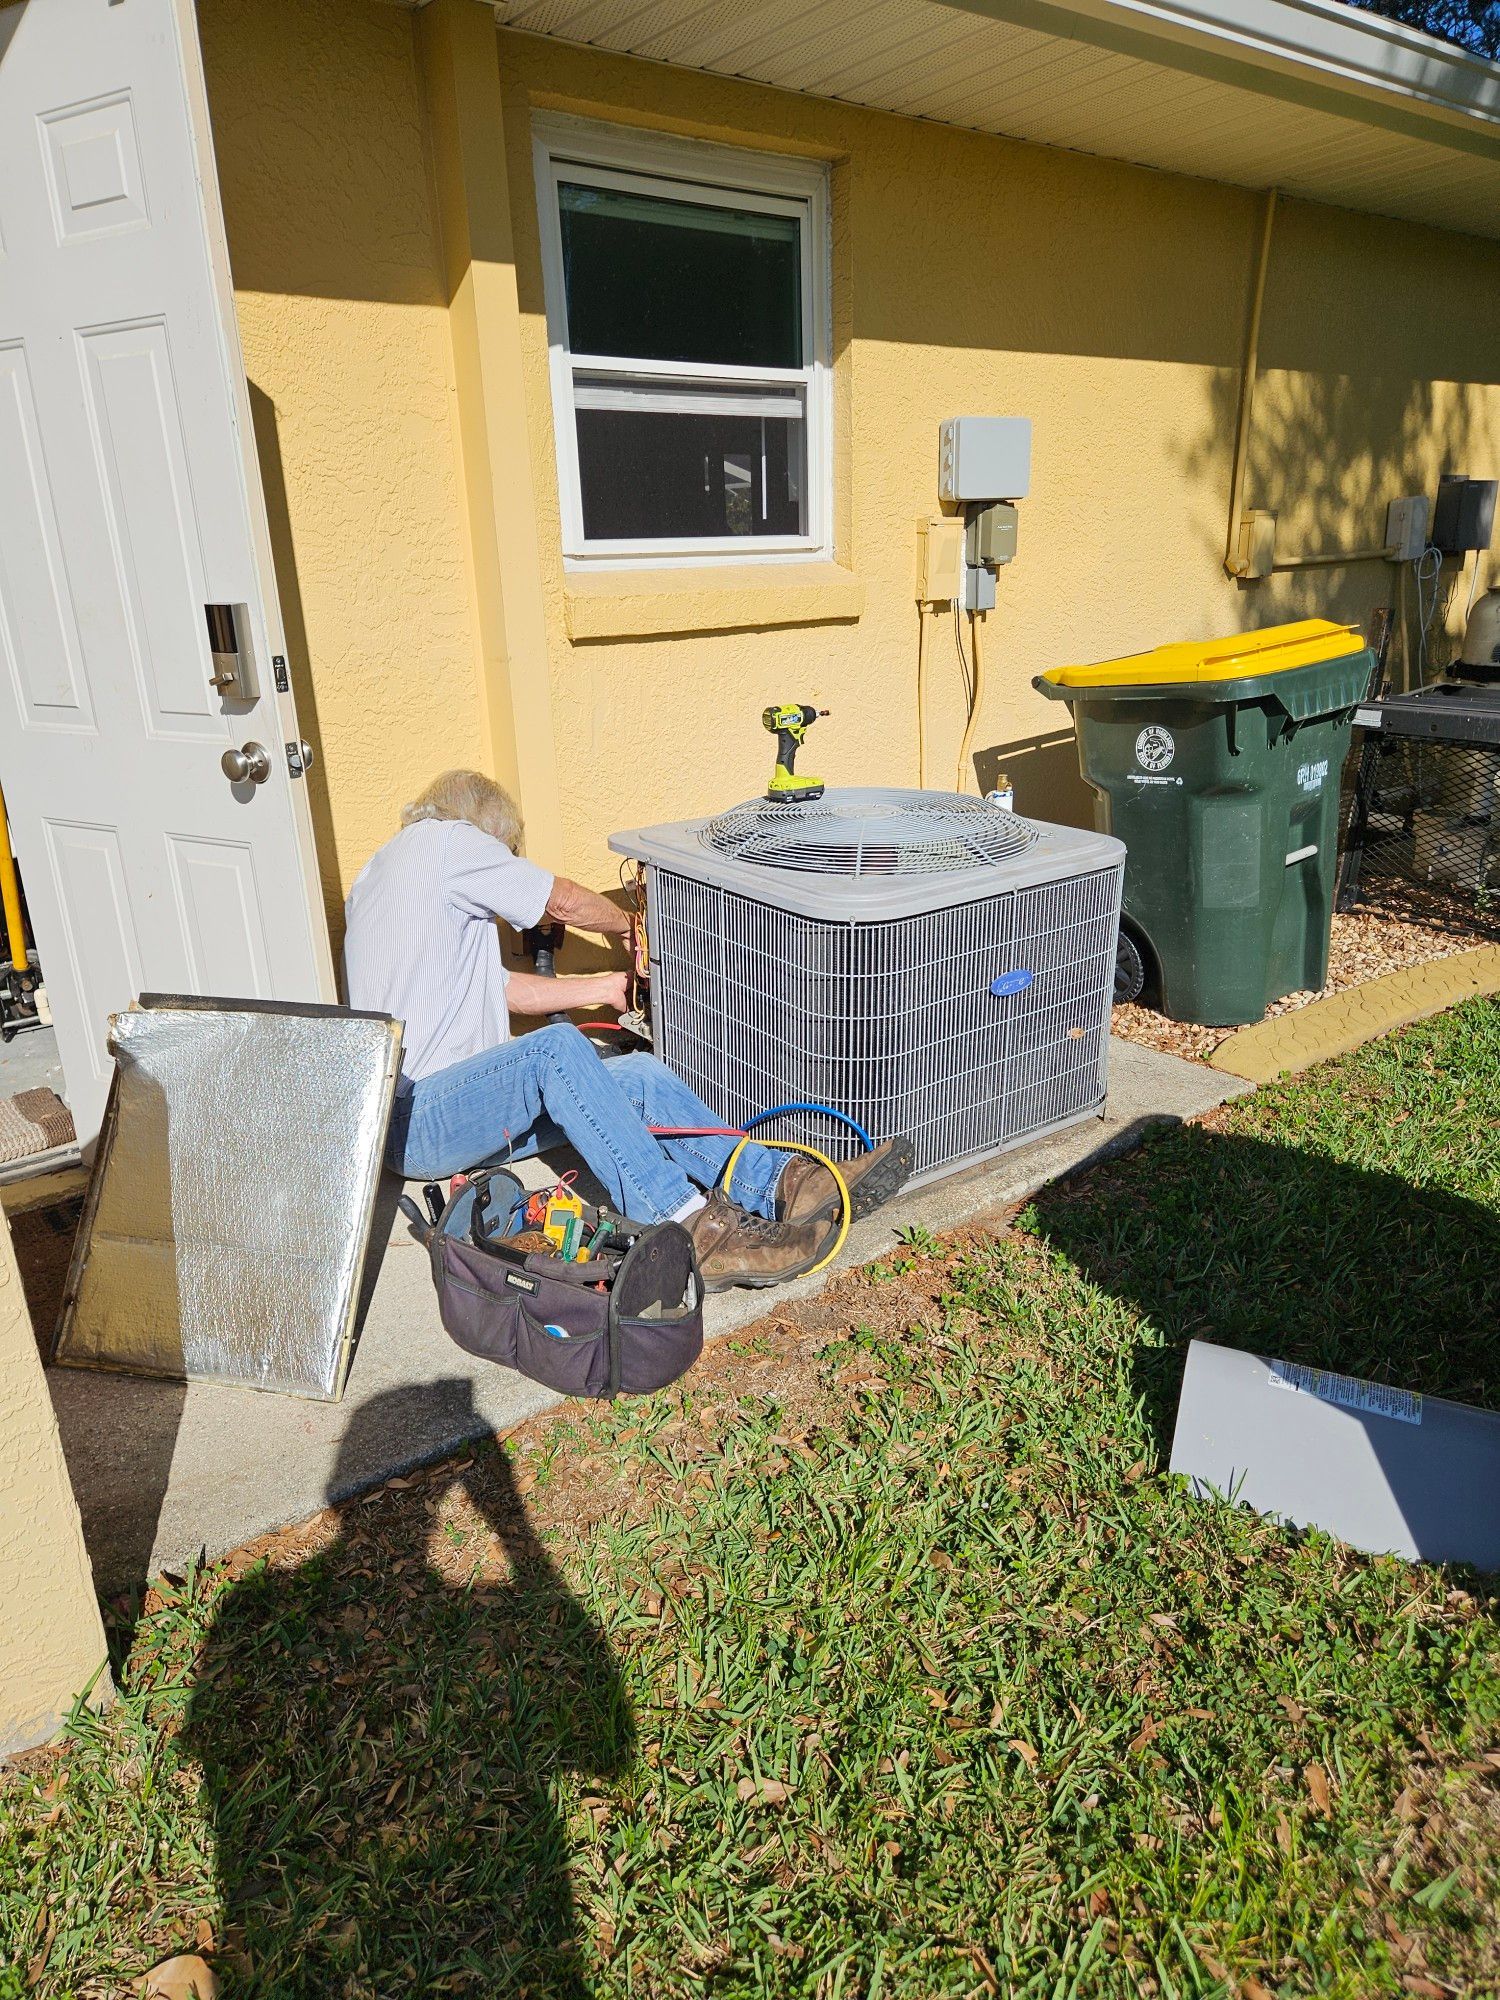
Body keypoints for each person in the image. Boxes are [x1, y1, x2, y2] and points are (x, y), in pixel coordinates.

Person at [345, 770, 912, 1290]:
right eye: (508, 852)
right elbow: (559, 900)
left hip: (439, 1115)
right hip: (416, 1116)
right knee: (558, 1049)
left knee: (636, 1074)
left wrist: (603, 986)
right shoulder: (449, 841)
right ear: (489, 833)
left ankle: (782, 1184)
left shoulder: (380, 874)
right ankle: (689, 1226)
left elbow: (494, 989)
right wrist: (629, 924)